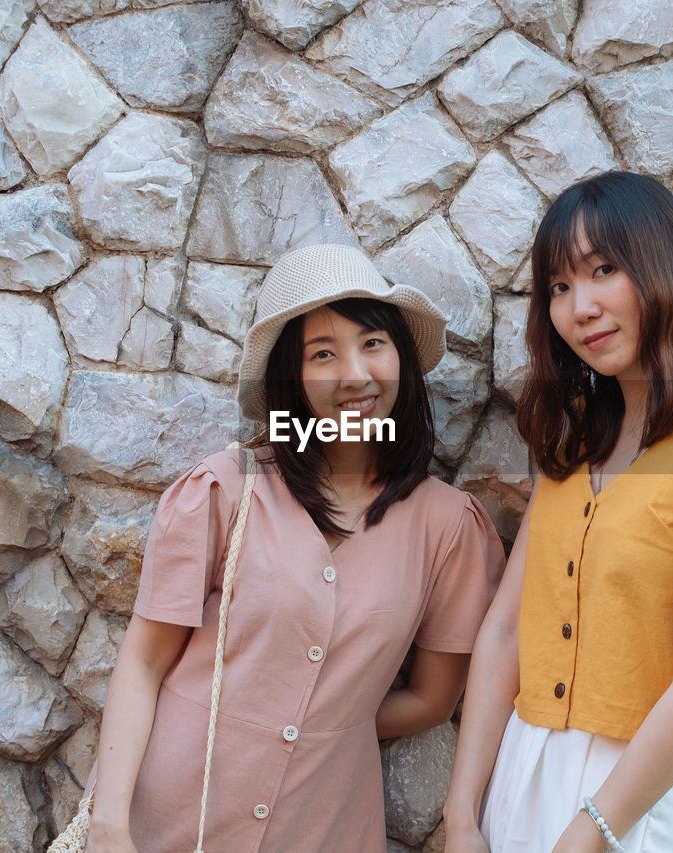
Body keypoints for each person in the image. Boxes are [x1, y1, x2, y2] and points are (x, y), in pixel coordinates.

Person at [85, 243, 506, 852]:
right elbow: (145, 660)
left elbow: (434, 699)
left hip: (322, 824)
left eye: (372, 344)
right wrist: (110, 824)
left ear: (401, 359)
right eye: (323, 353)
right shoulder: (225, 489)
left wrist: (318, 726)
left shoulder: (448, 526)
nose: (355, 374)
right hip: (172, 812)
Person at [443, 171, 673, 853]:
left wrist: (590, 832)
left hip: (637, 794)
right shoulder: (572, 441)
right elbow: (508, 630)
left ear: (665, 271)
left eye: (604, 270)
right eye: (561, 287)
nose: (581, 307)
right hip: (523, 758)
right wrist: (461, 814)